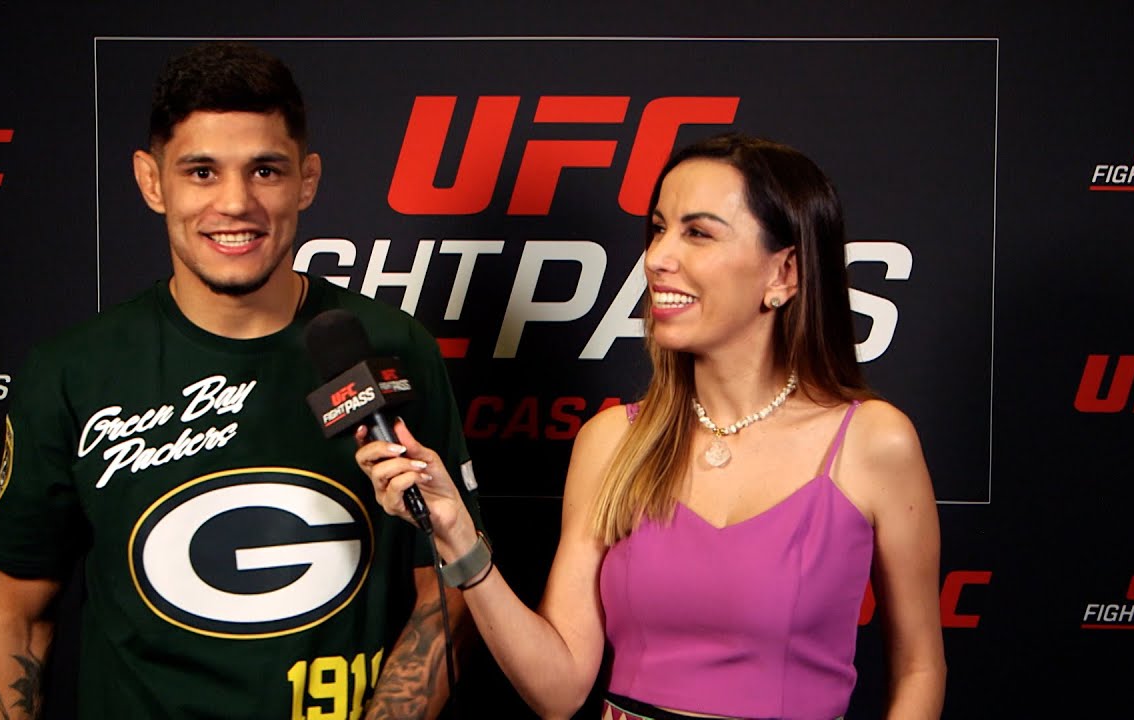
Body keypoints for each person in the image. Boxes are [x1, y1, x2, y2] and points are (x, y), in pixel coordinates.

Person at [0, 41, 483, 720]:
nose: (236, 203)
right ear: (152, 182)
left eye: (265, 170)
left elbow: (447, 588)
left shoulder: (391, 349)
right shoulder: (74, 371)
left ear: (307, 180)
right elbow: (16, 617)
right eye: (202, 172)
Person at [357, 133, 946, 719]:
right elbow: (558, 691)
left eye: (698, 233)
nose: (657, 257)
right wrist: (459, 537)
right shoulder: (612, 441)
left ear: (784, 274)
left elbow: (920, 670)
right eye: (659, 229)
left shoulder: (872, 441)